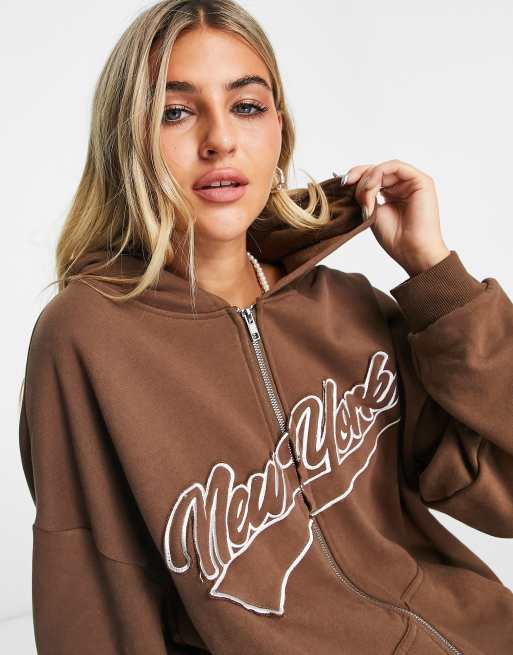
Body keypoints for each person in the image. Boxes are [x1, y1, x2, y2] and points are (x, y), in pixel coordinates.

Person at [18, 1, 513, 653]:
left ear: (280, 128)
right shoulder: (85, 337)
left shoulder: (348, 306)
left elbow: (501, 492)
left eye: (246, 106)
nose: (220, 139)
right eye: (175, 112)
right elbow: (93, 596)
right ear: (126, 141)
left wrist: (436, 278)